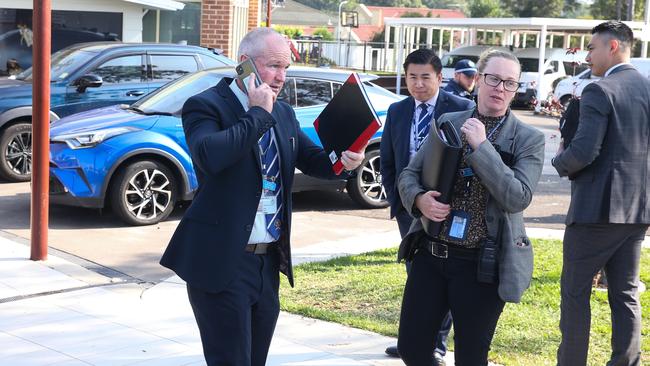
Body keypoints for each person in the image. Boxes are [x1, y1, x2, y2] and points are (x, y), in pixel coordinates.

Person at [159, 28, 365, 366]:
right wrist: (257, 114)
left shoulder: (283, 113)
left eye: (286, 67)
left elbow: (312, 159)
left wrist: (343, 161)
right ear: (245, 65)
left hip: (267, 262)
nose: (281, 76)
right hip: (223, 261)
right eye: (273, 66)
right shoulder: (206, 105)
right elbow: (210, 155)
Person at [396, 49, 545, 365]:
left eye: (509, 83)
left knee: (471, 357)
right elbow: (409, 174)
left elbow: (517, 197)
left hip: (481, 266)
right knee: (412, 348)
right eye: (493, 79)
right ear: (479, 80)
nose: (500, 89)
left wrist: (482, 147)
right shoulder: (449, 121)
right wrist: (420, 200)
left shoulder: (528, 138)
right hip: (431, 256)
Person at [552, 21, 650, 366]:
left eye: (591, 47)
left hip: (596, 212)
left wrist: (558, 160)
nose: (587, 55)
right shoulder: (647, 88)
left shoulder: (600, 90)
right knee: (624, 294)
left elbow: (583, 152)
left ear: (613, 47)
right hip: (637, 211)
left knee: (575, 294)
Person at [379, 48, 474, 365]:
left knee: (444, 275)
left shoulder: (462, 108)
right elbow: (389, 162)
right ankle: (416, 338)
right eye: (412, 77)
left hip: (447, 210)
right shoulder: (397, 111)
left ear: (439, 78)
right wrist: (400, 202)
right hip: (409, 209)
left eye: (425, 77)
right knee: (417, 274)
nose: (418, 84)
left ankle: (437, 342)